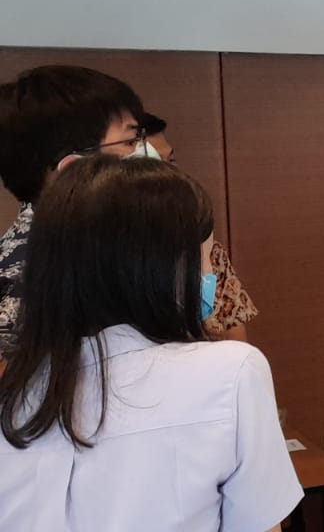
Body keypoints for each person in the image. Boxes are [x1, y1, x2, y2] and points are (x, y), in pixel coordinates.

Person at [0, 156, 302, 531]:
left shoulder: (16, 393)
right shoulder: (232, 373)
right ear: (157, 270)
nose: (211, 276)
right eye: (206, 259)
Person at [0, 65, 148, 359]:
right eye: (130, 142)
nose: (146, 154)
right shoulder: (26, 280)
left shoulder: (106, 246)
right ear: (72, 167)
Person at [140, 112, 259, 342]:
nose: (168, 174)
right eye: (153, 163)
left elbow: (237, 341)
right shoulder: (108, 266)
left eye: (171, 161)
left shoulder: (208, 251)